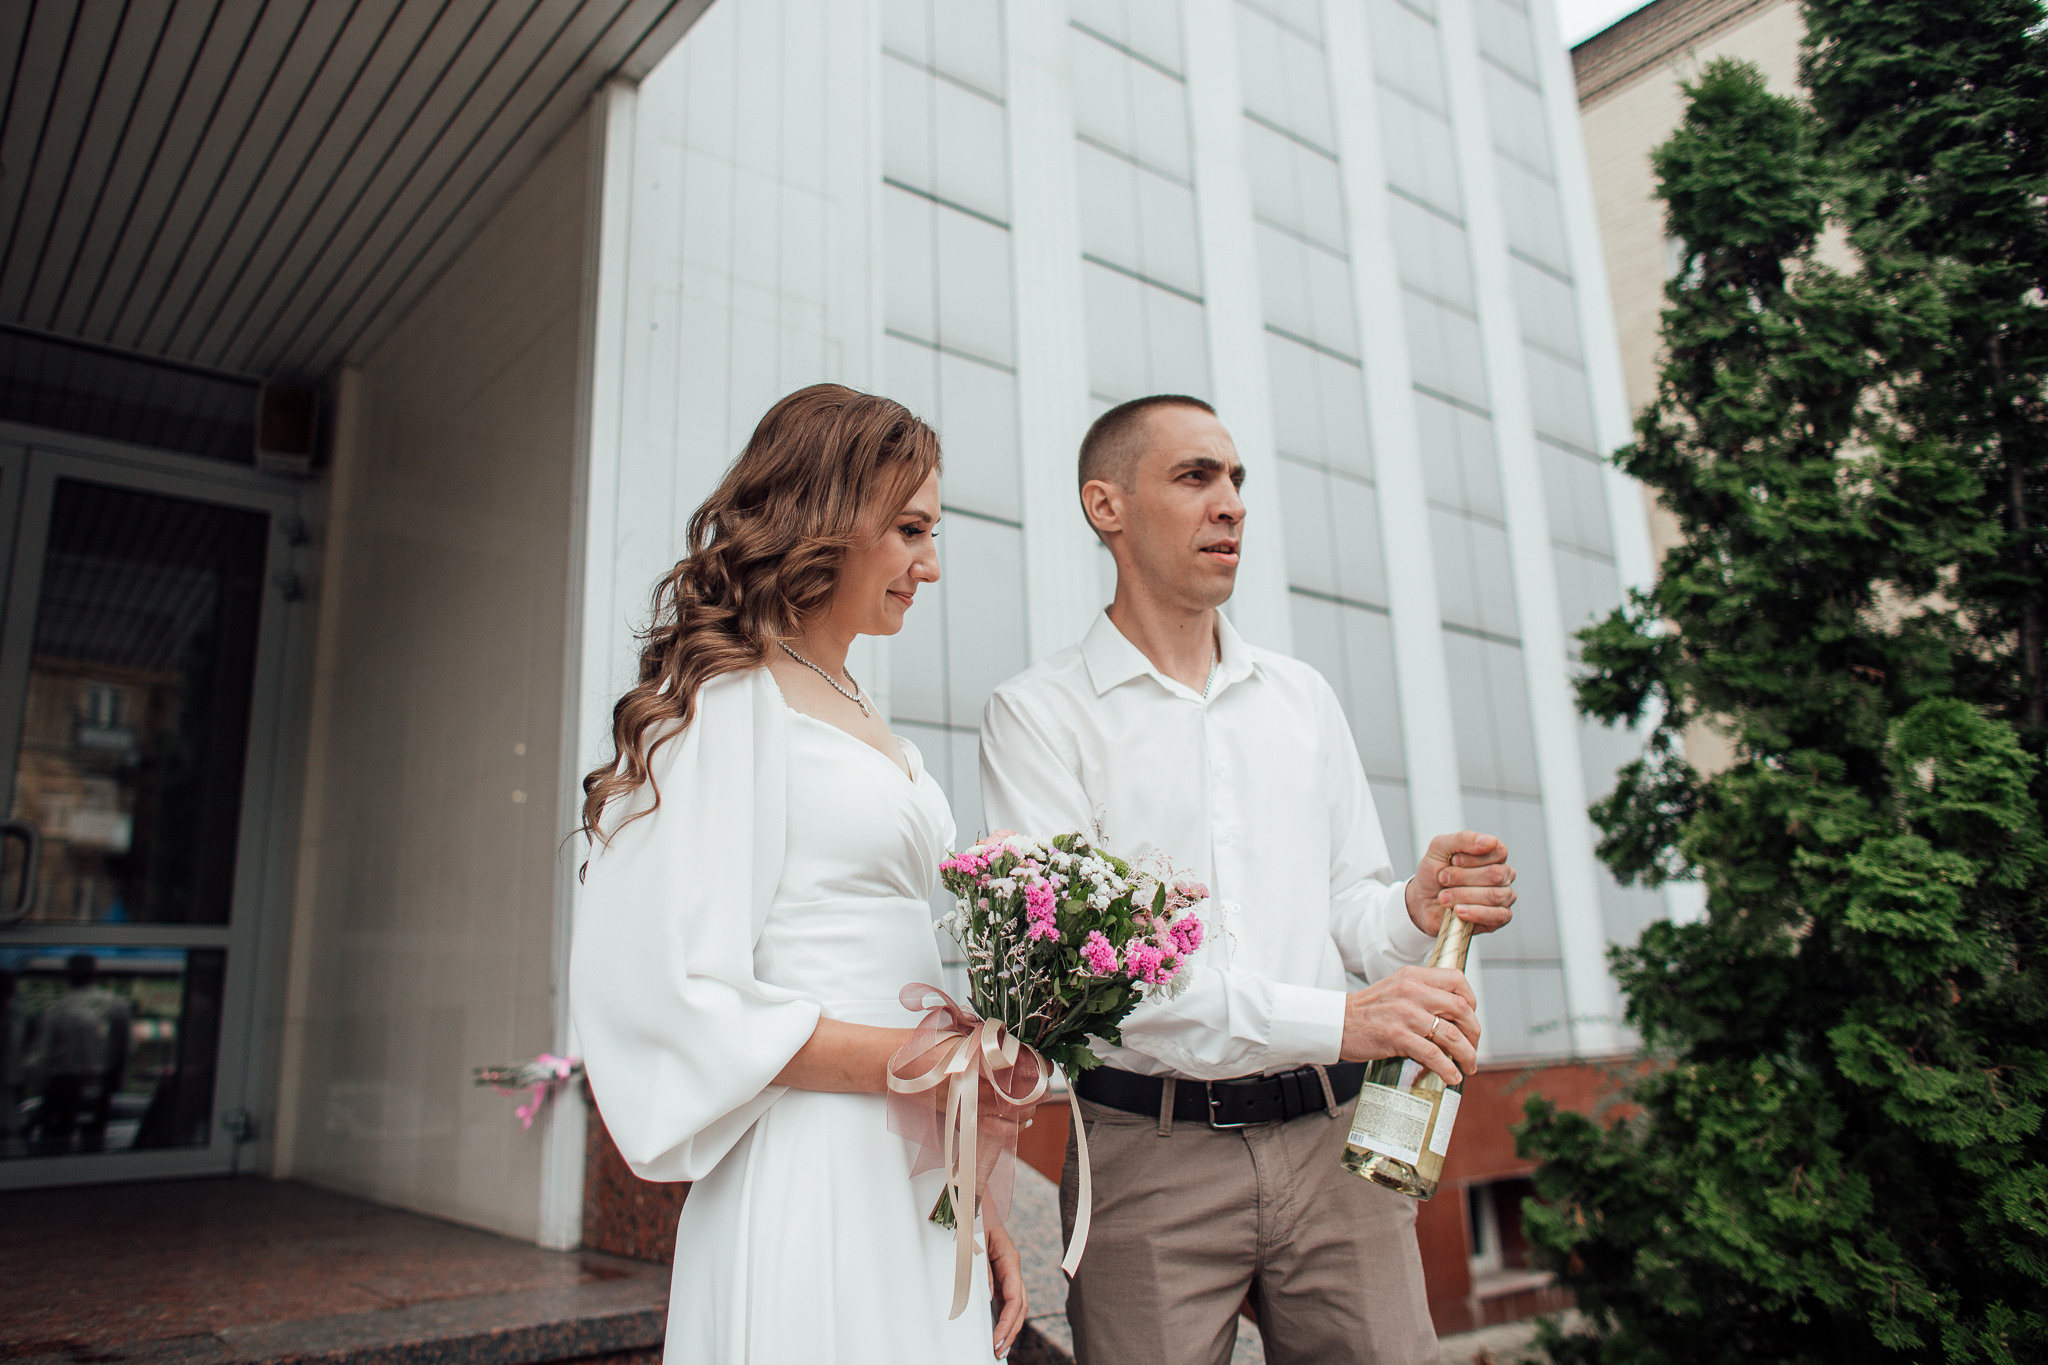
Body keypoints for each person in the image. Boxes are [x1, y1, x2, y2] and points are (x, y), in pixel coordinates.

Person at [979, 395, 1519, 1365]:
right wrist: (1348, 1022)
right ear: (1106, 507)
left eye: (1235, 481)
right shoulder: (1036, 718)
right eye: (1194, 478)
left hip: (1335, 1147)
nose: (1229, 503)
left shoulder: (1301, 698)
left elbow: (1351, 916)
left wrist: (1409, 910)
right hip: (1148, 1155)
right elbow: (1092, 994)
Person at [572, 384, 1026, 1363]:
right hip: (811, 1162)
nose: (931, 564)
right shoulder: (726, 704)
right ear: (825, 518)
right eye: (909, 529)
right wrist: (933, 1061)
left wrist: (968, 1189)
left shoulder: (855, 702)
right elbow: (680, 993)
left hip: (905, 1165)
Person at [34, 952, 132, 1154]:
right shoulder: (115, 1004)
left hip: (63, 1085)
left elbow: (43, 1055)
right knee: (93, 1144)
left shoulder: (57, 1009)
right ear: (95, 974)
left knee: (56, 1147)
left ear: (68, 975)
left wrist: (41, 1084)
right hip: (99, 1081)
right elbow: (127, 1047)